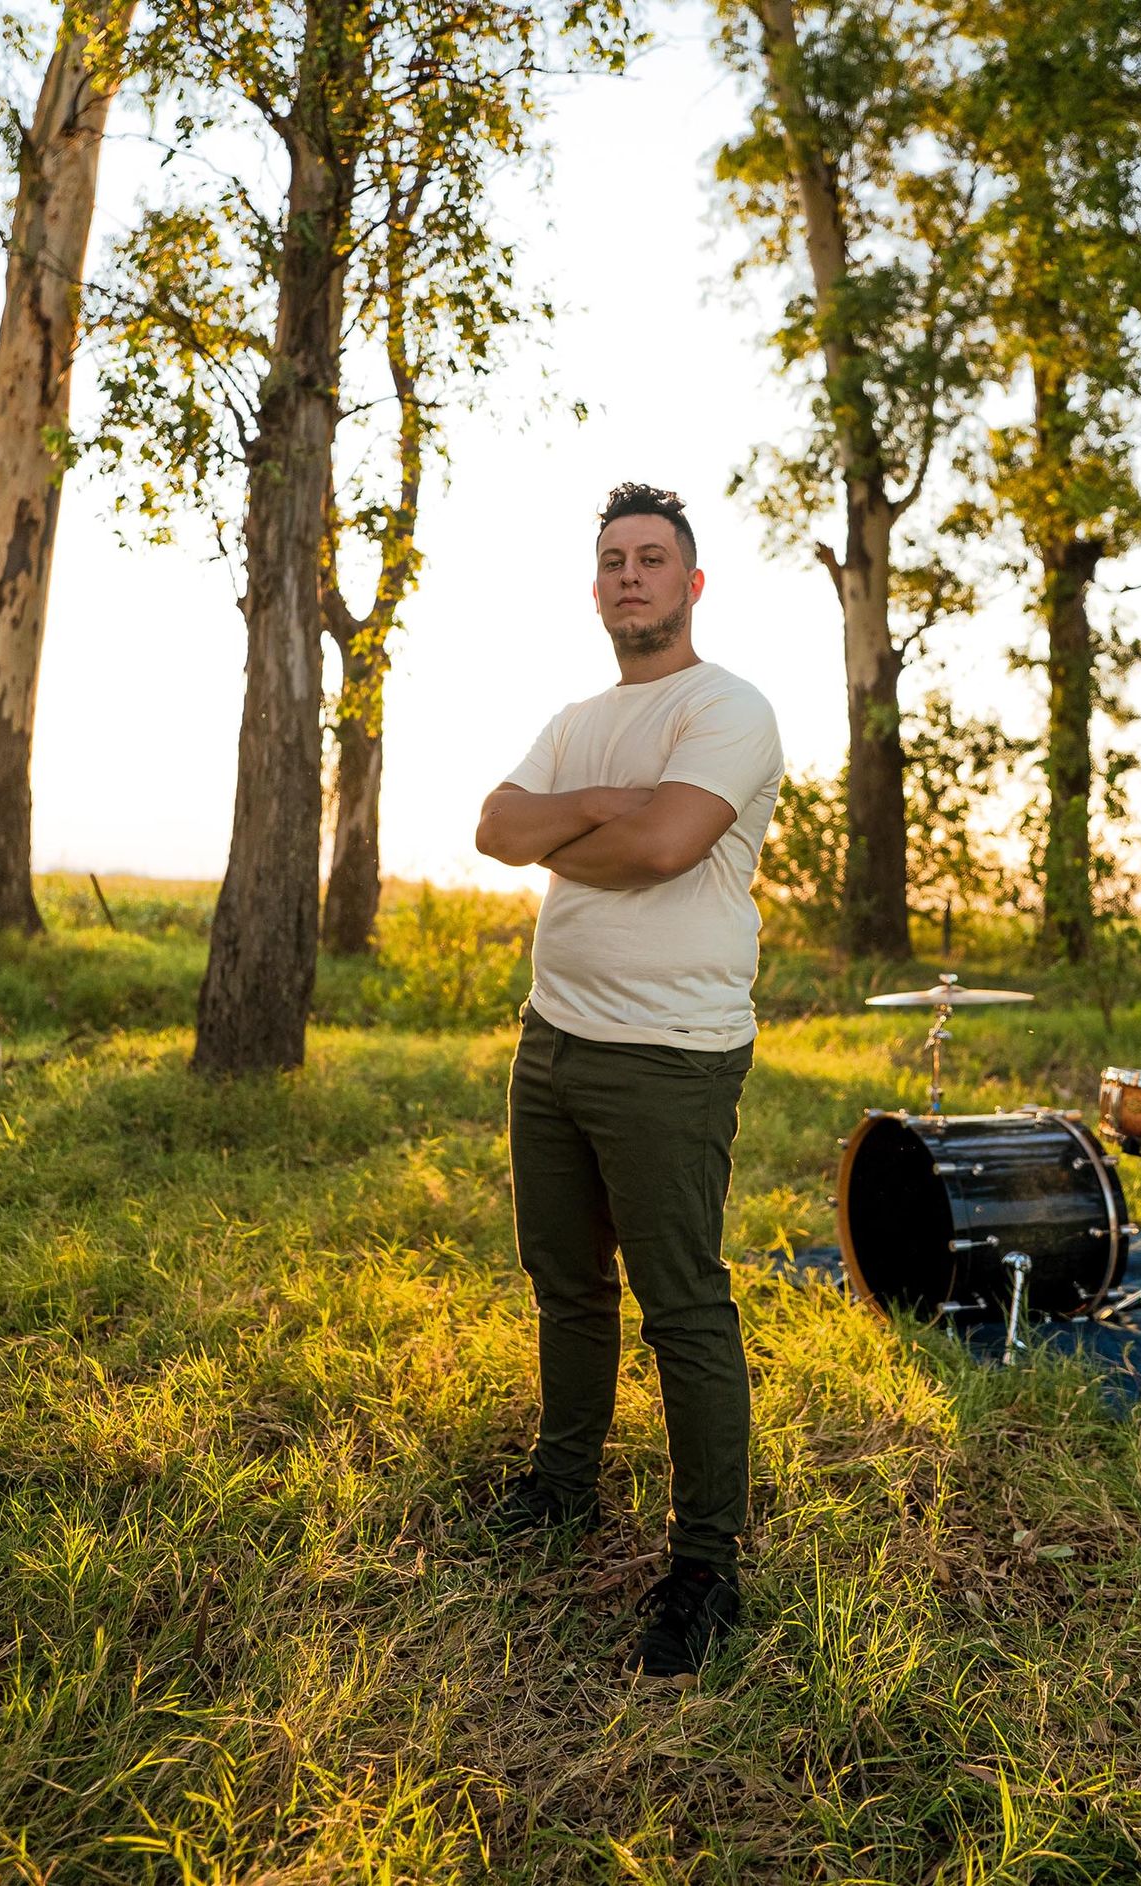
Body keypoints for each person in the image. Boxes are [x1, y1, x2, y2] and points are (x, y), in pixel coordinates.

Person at [475, 481, 783, 1685]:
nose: (631, 576)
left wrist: (578, 831)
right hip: (550, 1041)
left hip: (672, 1053)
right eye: (613, 560)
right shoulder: (579, 718)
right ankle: (562, 1485)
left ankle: (707, 1565)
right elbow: (497, 826)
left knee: (684, 1305)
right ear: (596, 584)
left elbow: (668, 847)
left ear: (692, 582)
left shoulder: (730, 706)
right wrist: (605, 802)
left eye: (653, 558)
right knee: (565, 1284)